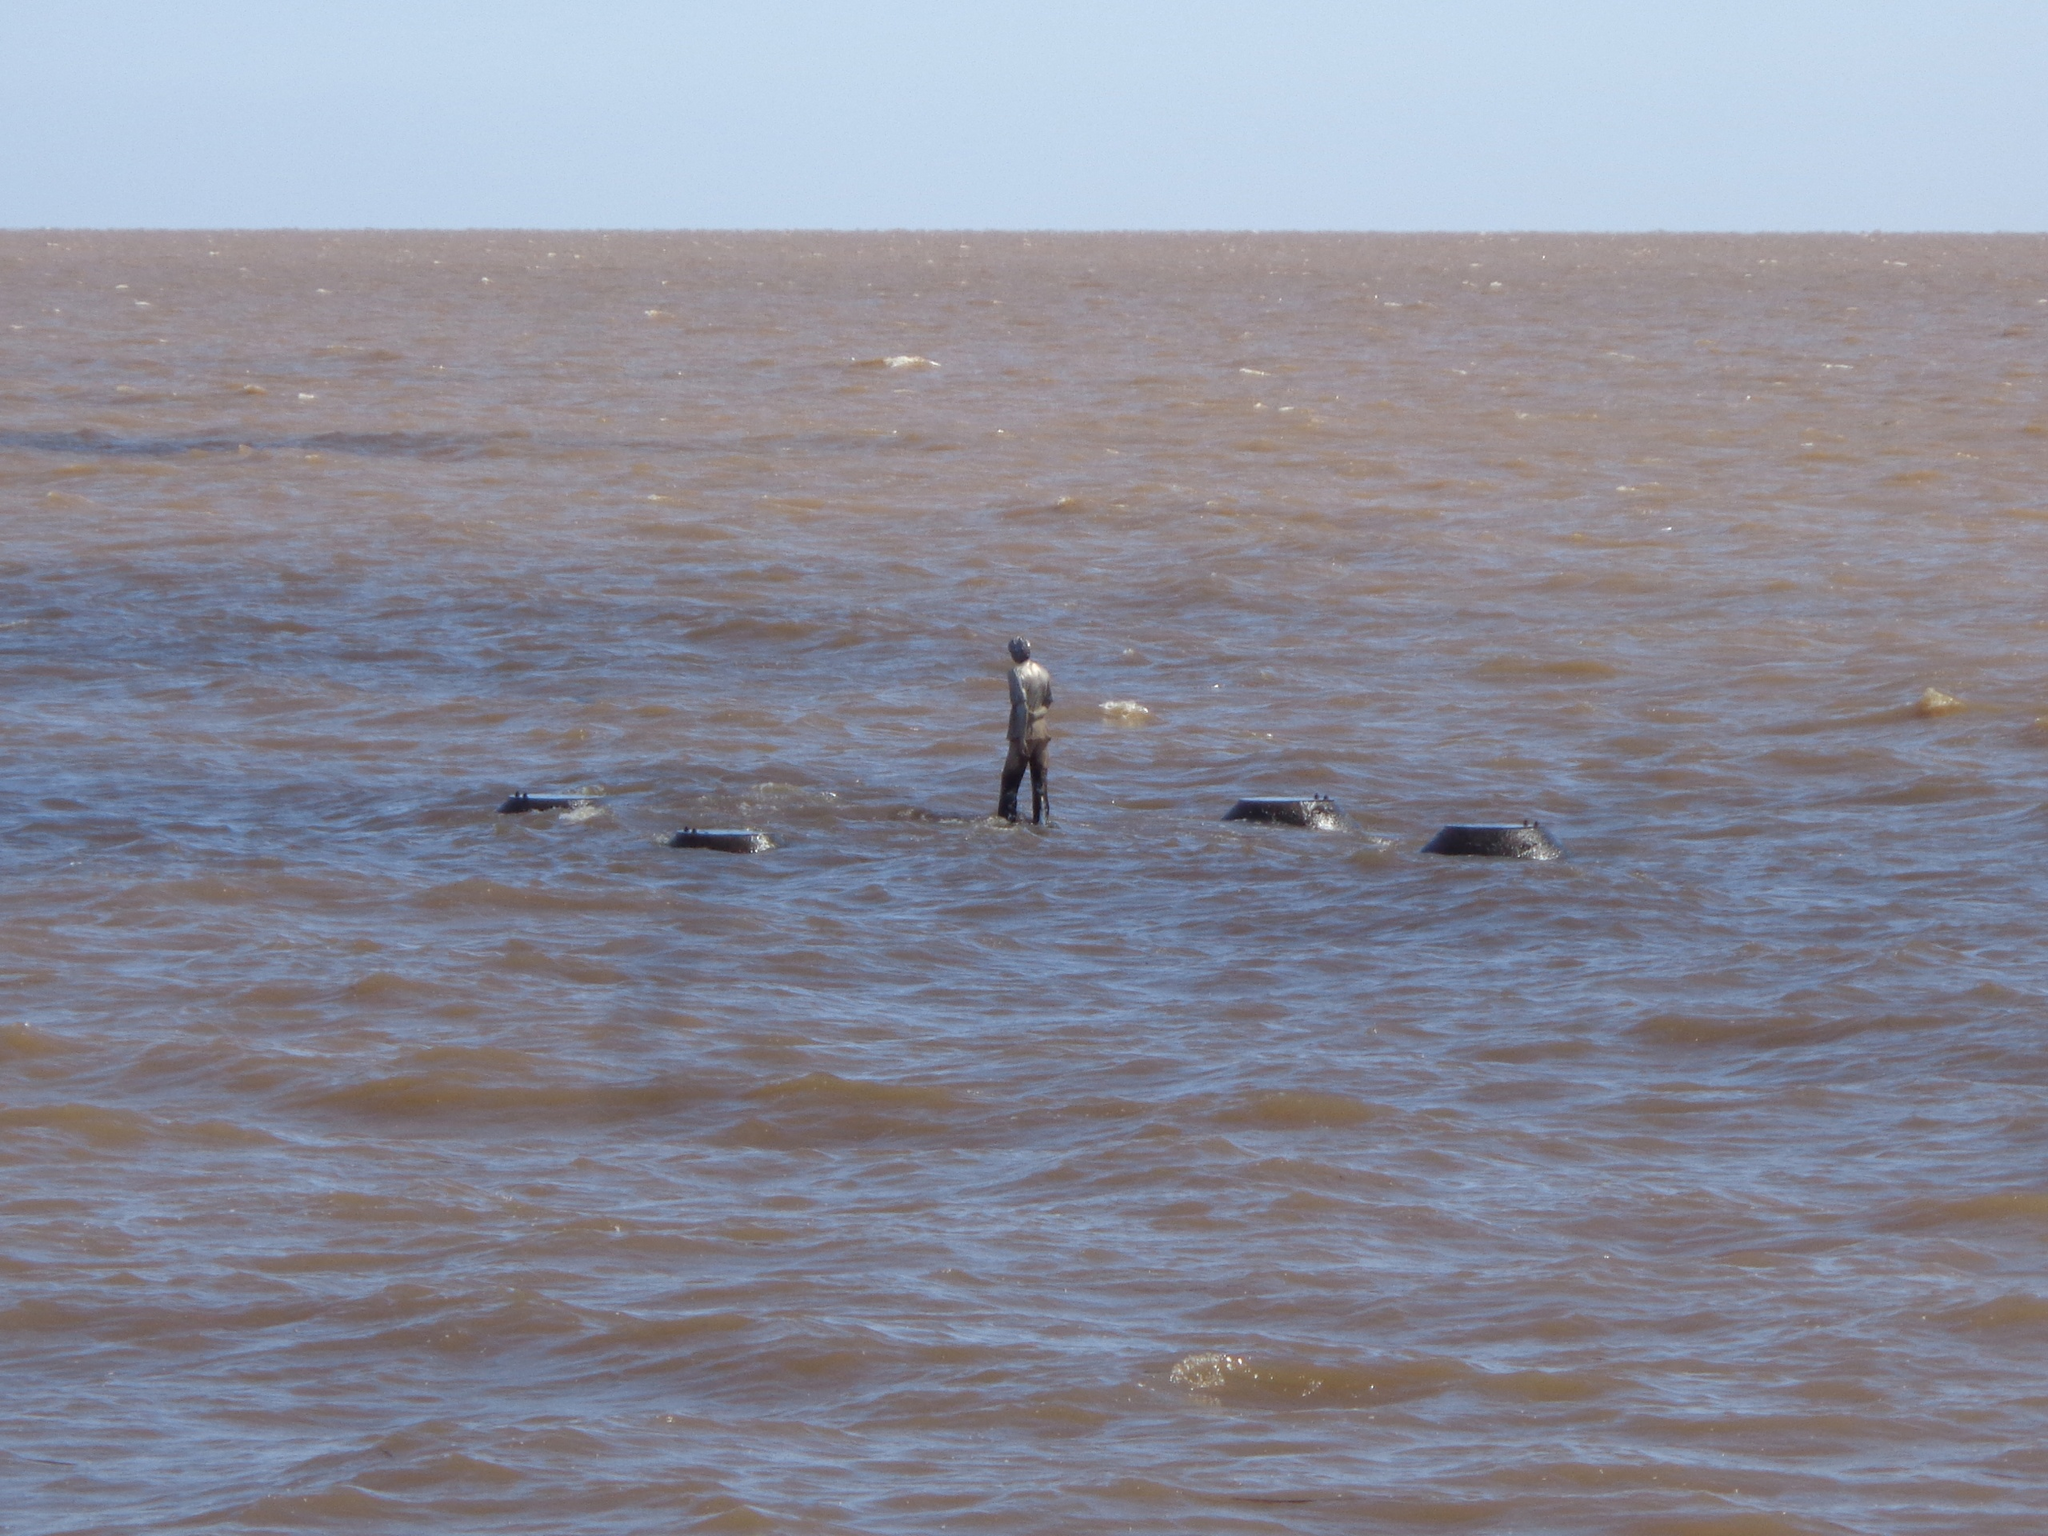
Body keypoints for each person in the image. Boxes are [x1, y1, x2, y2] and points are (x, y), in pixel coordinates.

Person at [998, 636, 1053, 824]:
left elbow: (1021, 706)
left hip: (1023, 732)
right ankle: (1042, 821)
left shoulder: (1016, 673)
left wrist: (1021, 737)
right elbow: (1048, 702)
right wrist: (1037, 714)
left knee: (1010, 782)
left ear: (1015, 653)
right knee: (1040, 783)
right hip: (1042, 732)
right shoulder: (1043, 672)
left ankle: (1007, 822)